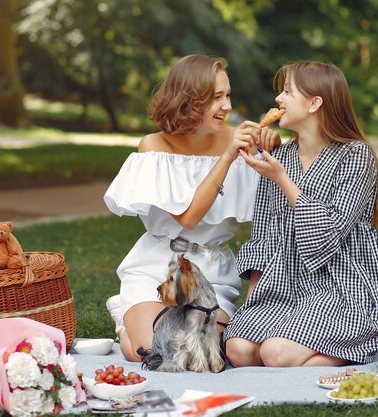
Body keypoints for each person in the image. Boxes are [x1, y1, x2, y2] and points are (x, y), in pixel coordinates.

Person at [103, 54, 280, 362]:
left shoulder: (240, 142)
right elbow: (188, 217)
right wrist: (227, 157)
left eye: (228, 95)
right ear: (189, 101)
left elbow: (276, 209)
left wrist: (273, 149)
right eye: (216, 98)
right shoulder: (154, 146)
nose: (227, 106)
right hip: (158, 269)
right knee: (155, 353)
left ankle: (130, 325)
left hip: (212, 272)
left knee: (195, 357)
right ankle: (126, 318)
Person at [224, 61, 378, 367]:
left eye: (287, 91)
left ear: (315, 102)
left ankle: (360, 346)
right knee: (238, 349)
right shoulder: (278, 157)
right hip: (284, 286)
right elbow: (264, 233)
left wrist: (283, 181)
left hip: (341, 287)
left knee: (274, 354)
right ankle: (306, 357)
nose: (278, 99)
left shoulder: (355, 155)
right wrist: (254, 301)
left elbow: (326, 236)